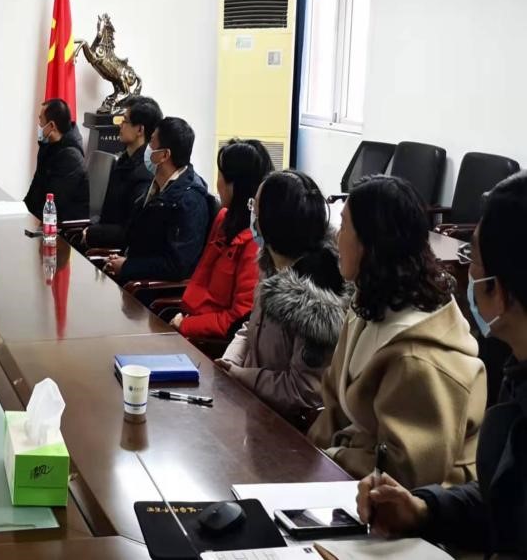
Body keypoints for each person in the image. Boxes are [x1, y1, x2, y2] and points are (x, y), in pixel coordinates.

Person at [353, 172, 527, 554]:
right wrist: (422, 509)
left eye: (472, 259)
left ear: (498, 287)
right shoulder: (518, 370)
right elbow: (500, 502)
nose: (468, 273)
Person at [308, 175, 486, 489]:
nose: (336, 238)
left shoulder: (418, 354)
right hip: (350, 477)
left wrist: (335, 454)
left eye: (344, 226)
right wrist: (308, 458)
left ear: (371, 244)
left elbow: (406, 473)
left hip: (419, 503)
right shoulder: (366, 305)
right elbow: (333, 403)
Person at [218, 170, 349, 427]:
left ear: (271, 221)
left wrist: (242, 376)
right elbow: (250, 327)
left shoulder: (315, 297)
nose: (251, 214)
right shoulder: (273, 264)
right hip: (253, 409)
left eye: (255, 207)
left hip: (285, 430)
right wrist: (229, 362)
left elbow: (302, 390)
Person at [171, 139, 273, 340]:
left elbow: (239, 319)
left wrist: (187, 326)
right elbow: (202, 278)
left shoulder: (255, 242)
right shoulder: (224, 219)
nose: (217, 184)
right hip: (188, 321)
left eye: (220, 176)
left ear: (235, 186)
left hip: (209, 343)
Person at [104, 117, 210, 284]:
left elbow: (176, 266)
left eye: (152, 142)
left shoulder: (190, 200)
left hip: (148, 290)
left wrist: (127, 267)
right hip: (131, 276)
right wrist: (120, 260)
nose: (147, 147)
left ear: (164, 155)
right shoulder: (156, 185)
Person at [82, 97, 162, 249]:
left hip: (117, 252)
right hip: (102, 238)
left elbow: (130, 231)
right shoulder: (123, 161)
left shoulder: (145, 173)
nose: (120, 125)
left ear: (140, 130)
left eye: (124, 121)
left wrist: (92, 233)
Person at [24, 98, 90, 222]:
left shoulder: (71, 158)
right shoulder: (48, 146)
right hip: (45, 218)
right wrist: (21, 210)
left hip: (64, 225)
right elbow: (35, 189)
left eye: (41, 120)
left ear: (52, 126)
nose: (39, 125)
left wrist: (28, 220)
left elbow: (54, 204)